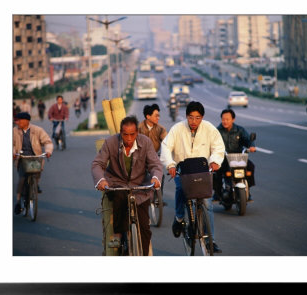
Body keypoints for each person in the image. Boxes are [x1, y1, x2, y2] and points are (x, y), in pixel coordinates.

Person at [91, 116, 163, 256]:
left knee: (145, 229)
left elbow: (155, 164)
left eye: (132, 134)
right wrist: (101, 180)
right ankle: (118, 233)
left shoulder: (145, 142)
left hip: (140, 186)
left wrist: (155, 178)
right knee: (119, 196)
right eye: (125, 134)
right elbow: (97, 164)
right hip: (116, 183)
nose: (129, 138)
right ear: (120, 133)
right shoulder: (110, 142)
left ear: (137, 133)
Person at [160, 101, 225, 253]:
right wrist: (170, 164)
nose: (194, 121)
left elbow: (218, 147)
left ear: (202, 117)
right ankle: (179, 218)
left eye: (197, 118)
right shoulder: (177, 128)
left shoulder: (209, 128)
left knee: (207, 204)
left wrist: (215, 161)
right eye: (190, 117)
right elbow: (166, 146)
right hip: (182, 170)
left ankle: (211, 240)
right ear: (186, 116)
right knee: (180, 189)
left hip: (202, 171)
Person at [13, 112, 53, 214]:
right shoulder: (15, 131)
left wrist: (48, 151)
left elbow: (47, 142)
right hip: (22, 158)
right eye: (17, 120)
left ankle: (35, 186)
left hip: (35, 157)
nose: (17, 122)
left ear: (26, 121)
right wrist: (13, 153)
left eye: (20, 120)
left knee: (36, 175)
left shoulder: (37, 130)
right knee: (22, 179)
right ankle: (18, 201)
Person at [214, 109, 256, 202]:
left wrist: (251, 146)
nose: (225, 121)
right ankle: (217, 193)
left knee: (250, 167)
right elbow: (213, 143)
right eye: (223, 119)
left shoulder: (240, 130)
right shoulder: (217, 131)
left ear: (233, 119)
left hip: (238, 157)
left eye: (227, 119)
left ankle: (247, 190)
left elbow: (248, 140)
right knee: (216, 171)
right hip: (224, 158)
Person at [138, 104, 168, 205]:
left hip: (154, 156)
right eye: (156, 115)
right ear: (148, 116)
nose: (158, 118)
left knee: (160, 175)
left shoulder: (160, 129)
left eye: (158, 115)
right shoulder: (138, 128)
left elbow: (167, 142)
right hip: (139, 157)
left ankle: (158, 198)